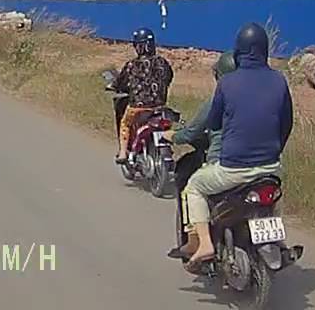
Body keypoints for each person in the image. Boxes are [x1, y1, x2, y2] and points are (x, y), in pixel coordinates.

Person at [183, 22, 294, 270]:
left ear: (238, 51)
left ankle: (204, 244)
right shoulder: (279, 80)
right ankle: (279, 241)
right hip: (271, 167)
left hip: (233, 169)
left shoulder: (227, 83)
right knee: (272, 198)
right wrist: (274, 151)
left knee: (195, 187)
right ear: (265, 49)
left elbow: (213, 122)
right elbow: (287, 123)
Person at [161, 51, 235, 259]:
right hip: (265, 164)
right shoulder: (256, 99)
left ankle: (197, 241)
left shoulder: (216, 102)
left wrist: (172, 136)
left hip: (225, 165)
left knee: (192, 188)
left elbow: (191, 132)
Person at [111, 27, 173, 164]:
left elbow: (120, 83)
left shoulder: (132, 65)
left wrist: (114, 86)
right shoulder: (162, 62)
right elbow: (169, 78)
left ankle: (123, 153)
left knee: (125, 124)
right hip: (159, 107)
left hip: (138, 108)